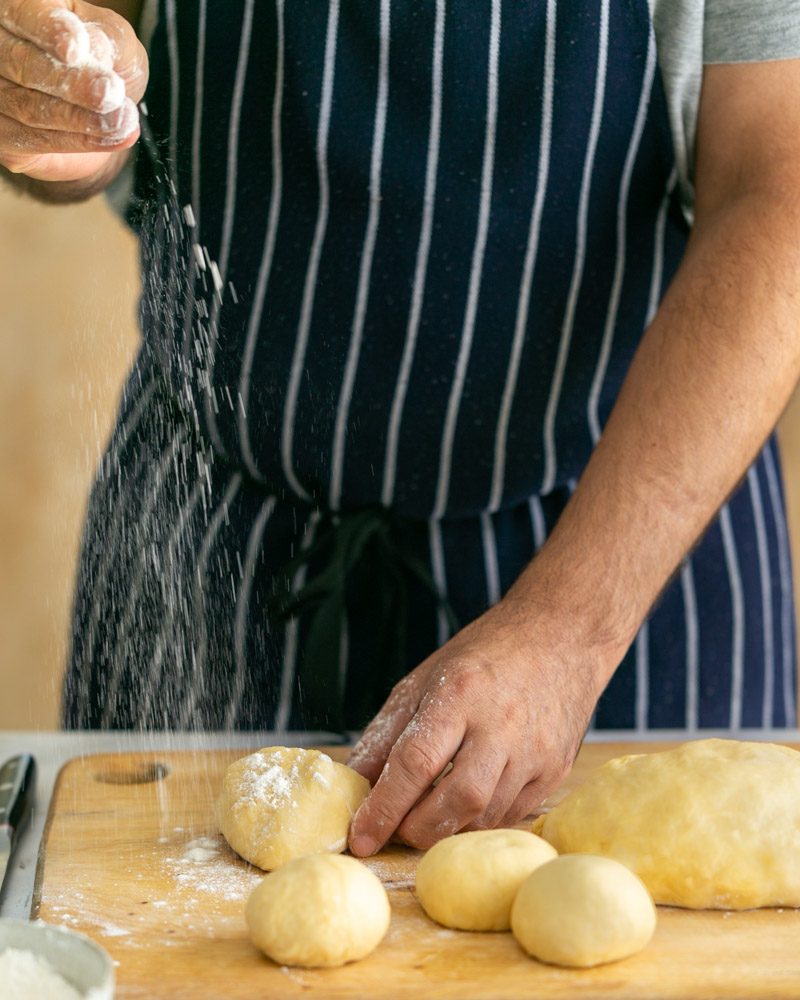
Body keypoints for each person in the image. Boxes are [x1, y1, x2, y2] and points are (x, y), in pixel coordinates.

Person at [2, 0, 800, 857]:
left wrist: (572, 632)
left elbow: (779, 195)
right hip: (212, 543)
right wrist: (57, 94)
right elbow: (81, 60)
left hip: (617, 548)